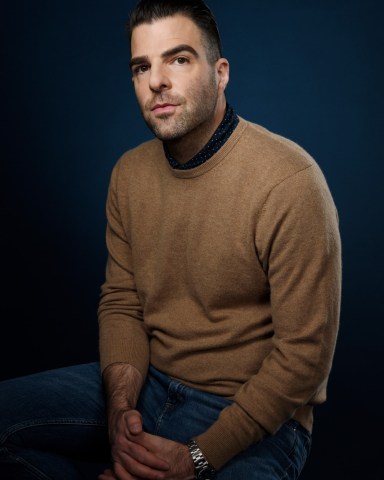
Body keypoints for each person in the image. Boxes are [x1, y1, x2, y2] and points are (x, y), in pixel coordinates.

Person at [0, 0, 341, 479]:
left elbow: (304, 359)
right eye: (142, 66)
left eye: (178, 59)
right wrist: (120, 413)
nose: (156, 80)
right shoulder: (129, 174)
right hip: (149, 388)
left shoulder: (290, 181)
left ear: (221, 73)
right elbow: (122, 303)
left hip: (253, 416)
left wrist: (196, 458)